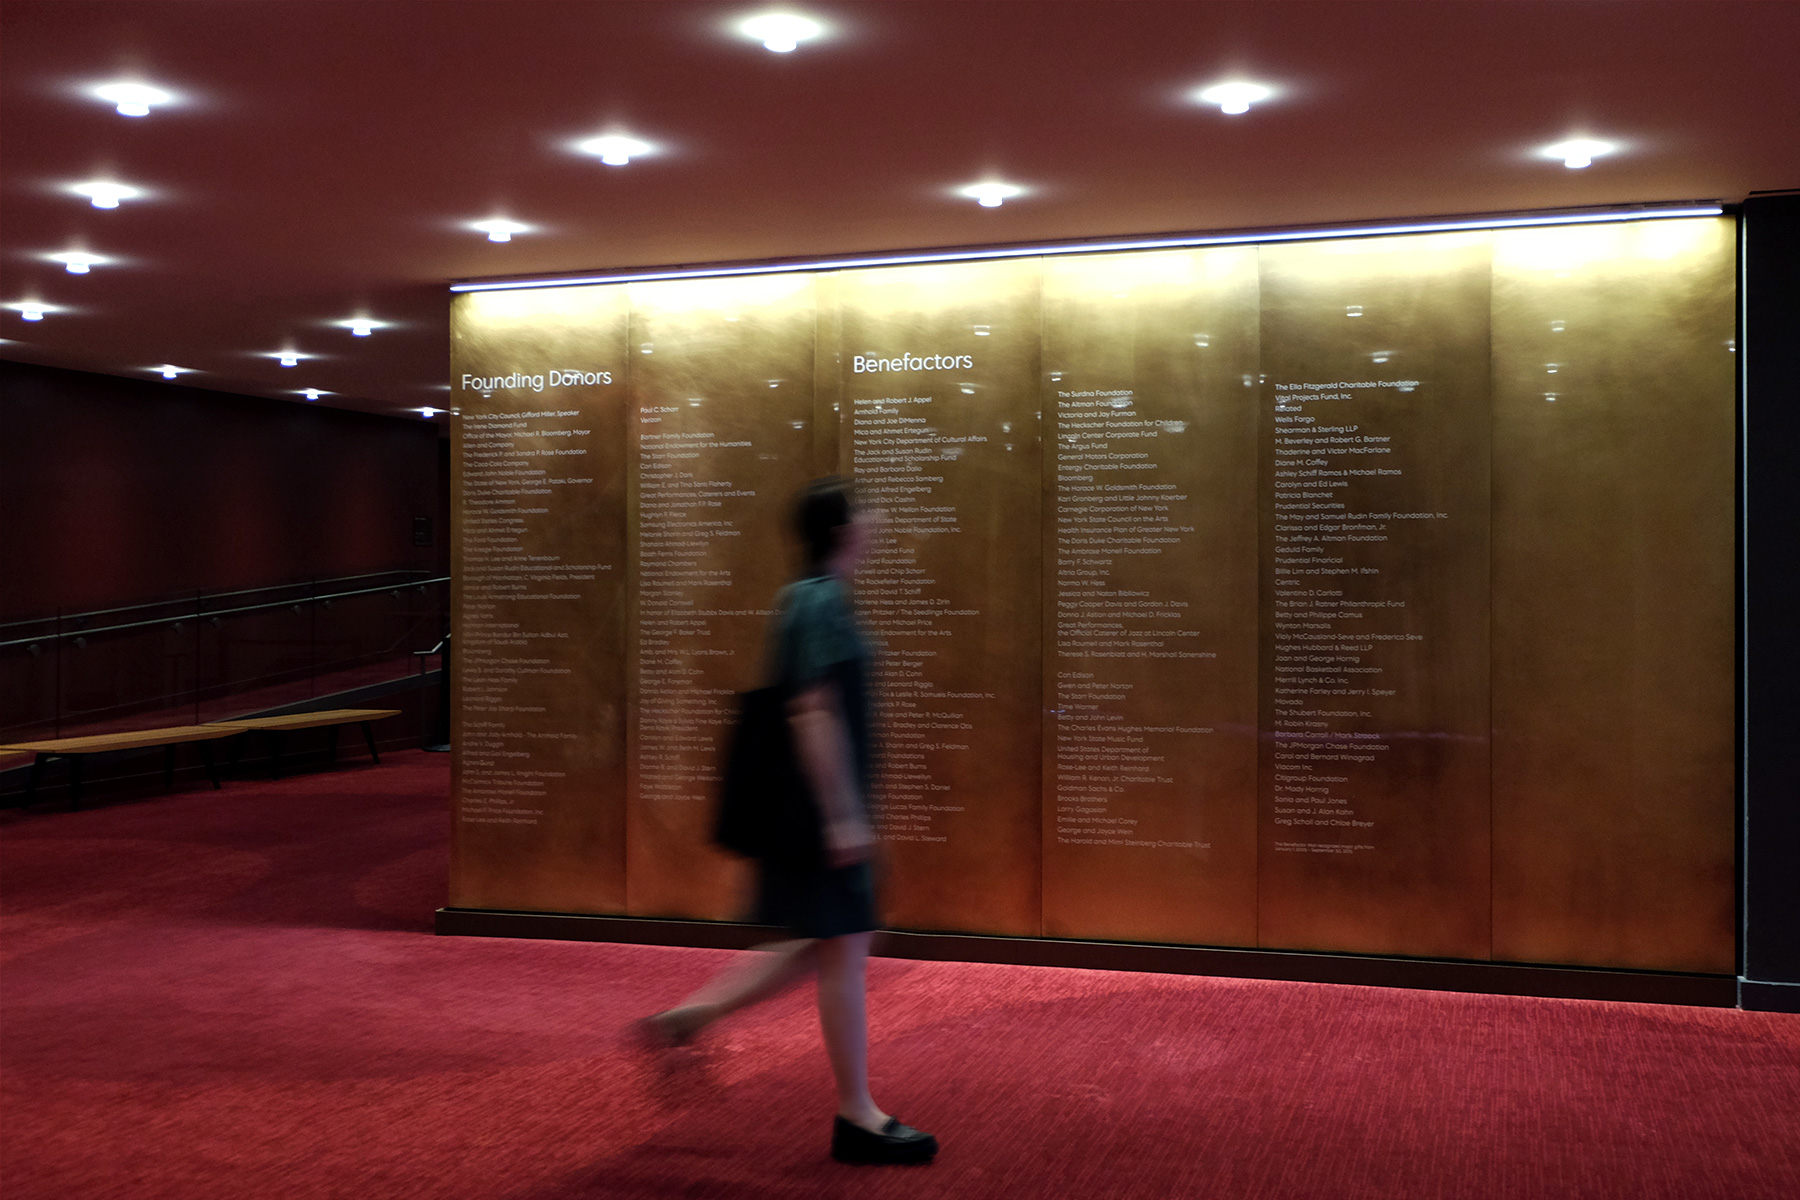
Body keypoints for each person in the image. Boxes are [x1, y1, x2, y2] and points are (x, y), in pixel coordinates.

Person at [640, 477, 938, 1167]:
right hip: (819, 814)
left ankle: (690, 1018)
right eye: (865, 506)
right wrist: (842, 818)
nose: (877, 515)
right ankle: (857, 1115)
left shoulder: (805, 599)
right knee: (845, 949)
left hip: (808, 812)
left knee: (826, 942)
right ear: (842, 529)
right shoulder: (821, 602)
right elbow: (811, 711)